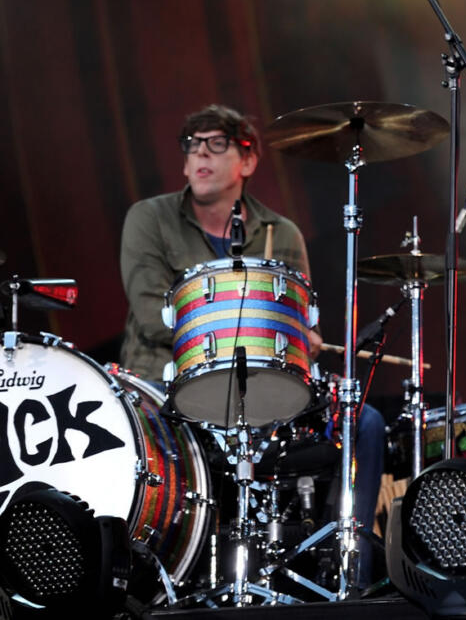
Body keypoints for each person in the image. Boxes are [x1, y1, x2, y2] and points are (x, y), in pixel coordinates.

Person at [118, 103, 385, 589]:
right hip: (168, 393)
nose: (201, 154)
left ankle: (349, 575)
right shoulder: (148, 219)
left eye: (216, 144)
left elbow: (296, 323)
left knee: (363, 421)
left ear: (247, 160)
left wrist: (300, 340)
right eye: (192, 145)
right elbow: (152, 315)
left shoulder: (280, 233)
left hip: (260, 393)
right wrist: (258, 331)